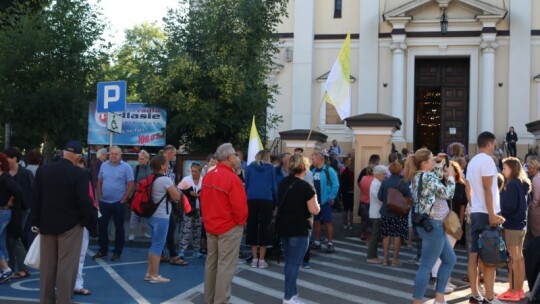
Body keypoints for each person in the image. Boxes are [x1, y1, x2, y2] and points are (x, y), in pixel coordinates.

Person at [31, 140, 94, 302]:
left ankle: (46, 300)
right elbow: (85, 201)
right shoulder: (80, 173)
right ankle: (64, 300)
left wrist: (36, 222)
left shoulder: (43, 170)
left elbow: (36, 198)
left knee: (47, 267)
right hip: (71, 225)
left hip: (46, 224)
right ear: (78, 157)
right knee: (66, 266)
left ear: (63, 153)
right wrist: (84, 221)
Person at [406, 148, 456, 304]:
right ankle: (418, 301)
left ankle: (439, 298)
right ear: (424, 163)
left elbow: (435, 178)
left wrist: (439, 163)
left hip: (428, 223)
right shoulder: (427, 176)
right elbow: (448, 194)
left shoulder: (418, 176)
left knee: (450, 259)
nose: (434, 161)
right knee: (426, 265)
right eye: (432, 160)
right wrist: (452, 179)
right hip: (433, 224)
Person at [200, 143, 248, 304]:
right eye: (235, 154)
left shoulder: (209, 176)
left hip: (211, 226)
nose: (237, 157)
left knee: (211, 264)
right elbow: (240, 208)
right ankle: (220, 301)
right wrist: (240, 222)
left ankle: (210, 299)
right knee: (225, 267)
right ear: (229, 157)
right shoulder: (232, 178)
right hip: (229, 227)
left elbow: (203, 201)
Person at [465, 131, 506, 304]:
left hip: (476, 211)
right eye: (494, 144)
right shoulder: (488, 160)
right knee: (490, 256)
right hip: (486, 213)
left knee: (474, 255)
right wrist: (491, 213)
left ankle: (475, 293)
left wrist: (472, 204)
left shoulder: (473, 161)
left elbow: (468, 187)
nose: (495, 147)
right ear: (489, 143)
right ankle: (489, 297)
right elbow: (488, 188)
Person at [276, 154, 320, 304]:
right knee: (294, 264)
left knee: (289, 262)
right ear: (305, 168)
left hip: (283, 227)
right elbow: (314, 210)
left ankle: (292, 293)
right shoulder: (306, 186)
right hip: (299, 228)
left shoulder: (283, 182)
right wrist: (318, 203)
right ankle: (288, 297)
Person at [145, 154, 183, 283]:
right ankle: (155, 275)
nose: (168, 164)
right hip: (162, 216)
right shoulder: (165, 180)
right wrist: (177, 192)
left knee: (154, 245)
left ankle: (149, 273)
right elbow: (176, 197)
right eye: (166, 163)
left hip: (151, 215)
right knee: (158, 247)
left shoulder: (152, 178)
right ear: (162, 166)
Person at [496, 157, 530, 302]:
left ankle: (513, 291)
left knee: (513, 259)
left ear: (512, 169)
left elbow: (508, 206)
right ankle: (519, 290)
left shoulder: (512, 184)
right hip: (521, 225)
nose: (503, 171)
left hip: (511, 225)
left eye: (504, 168)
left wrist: (500, 211)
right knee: (519, 258)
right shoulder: (522, 184)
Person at [93, 146, 134, 261]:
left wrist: (124, 199)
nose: (114, 156)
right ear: (108, 155)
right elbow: (99, 181)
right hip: (104, 202)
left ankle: (117, 252)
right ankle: (103, 250)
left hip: (118, 203)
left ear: (120, 155)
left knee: (119, 228)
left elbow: (131, 184)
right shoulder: (104, 165)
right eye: (112, 154)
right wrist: (100, 197)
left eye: (116, 154)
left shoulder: (126, 167)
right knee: (102, 227)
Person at [431, 160, 466, 293]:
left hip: (454, 222)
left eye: (447, 170)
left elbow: (463, 204)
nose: (445, 173)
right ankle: (438, 282)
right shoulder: (441, 184)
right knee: (442, 254)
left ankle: (446, 281)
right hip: (443, 221)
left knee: (448, 254)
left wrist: (461, 222)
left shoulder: (461, 185)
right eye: (444, 170)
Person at [4, 147, 34, 280]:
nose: (5, 160)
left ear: (15, 159)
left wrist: (13, 199)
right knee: (9, 238)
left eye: (7, 158)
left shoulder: (25, 174)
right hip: (7, 209)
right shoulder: (5, 172)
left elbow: (27, 193)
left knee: (15, 237)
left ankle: (22, 268)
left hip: (21, 209)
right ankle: (9, 267)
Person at [245, 150, 277, 268]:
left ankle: (254, 259)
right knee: (265, 227)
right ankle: (262, 260)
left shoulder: (249, 168)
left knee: (252, 227)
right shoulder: (271, 169)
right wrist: (275, 202)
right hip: (267, 199)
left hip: (251, 199)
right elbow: (274, 186)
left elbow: (246, 185)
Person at [378, 161, 411, 267]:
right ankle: (395, 260)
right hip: (399, 212)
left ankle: (385, 259)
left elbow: (380, 197)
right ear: (400, 170)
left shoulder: (385, 182)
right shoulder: (403, 182)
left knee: (386, 235)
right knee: (397, 235)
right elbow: (410, 198)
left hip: (386, 211)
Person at [74, 157, 98, 295]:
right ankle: (69, 284)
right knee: (72, 256)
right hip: (76, 222)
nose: (79, 167)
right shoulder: (75, 179)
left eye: (81, 165)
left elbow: (90, 199)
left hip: (83, 223)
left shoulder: (85, 179)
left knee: (81, 255)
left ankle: (77, 284)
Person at [0, 153, 23, 283]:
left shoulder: (5, 178)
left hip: (2, 212)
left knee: (2, 242)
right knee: (2, 242)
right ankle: (5, 270)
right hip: (4, 212)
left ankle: (6, 269)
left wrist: (11, 199)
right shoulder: (5, 177)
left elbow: (19, 191)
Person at [310, 152, 339, 253]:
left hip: (325, 202)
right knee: (316, 222)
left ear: (320, 159)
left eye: (313, 159)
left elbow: (336, 185)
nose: (312, 161)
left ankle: (330, 243)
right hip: (315, 202)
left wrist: (330, 197)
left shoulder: (329, 170)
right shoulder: (312, 171)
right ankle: (317, 242)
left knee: (328, 222)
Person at [177, 163, 204, 259]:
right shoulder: (186, 180)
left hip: (199, 208)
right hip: (188, 208)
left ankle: (196, 250)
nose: (193, 173)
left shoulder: (204, 180)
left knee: (197, 230)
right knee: (185, 229)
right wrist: (188, 192)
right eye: (192, 171)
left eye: (195, 171)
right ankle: (182, 250)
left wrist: (202, 194)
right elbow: (178, 190)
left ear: (200, 171)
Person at [128, 150, 152, 241]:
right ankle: (132, 233)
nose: (140, 160)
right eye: (139, 159)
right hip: (137, 194)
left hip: (147, 194)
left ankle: (144, 232)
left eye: (142, 159)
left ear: (147, 159)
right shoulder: (136, 168)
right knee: (134, 214)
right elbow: (131, 181)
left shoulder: (150, 168)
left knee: (145, 214)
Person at [366, 165, 387, 264]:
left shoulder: (377, 183)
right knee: (375, 235)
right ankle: (371, 256)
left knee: (376, 234)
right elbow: (379, 198)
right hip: (377, 212)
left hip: (376, 212)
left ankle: (373, 255)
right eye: (383, 174)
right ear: (378, 174)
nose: (385, 175)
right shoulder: (377, 184)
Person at [358, 166, 374, 240]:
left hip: (363, 201)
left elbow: (360, 186)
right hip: (371, 202)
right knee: (370, 222)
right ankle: (368, 238)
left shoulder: (363, 178)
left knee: (364, 220)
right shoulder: (375, 180)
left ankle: (362, 234)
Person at [340, 157, 355, 230]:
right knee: (352, 209)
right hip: (354, 192)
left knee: (345, 208)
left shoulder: (347, 170)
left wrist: (342, 192)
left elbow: (342, 180)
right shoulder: (357, 170)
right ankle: (351, 224)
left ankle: (345, 224)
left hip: (346, 192)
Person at [529, 159, 540, 239]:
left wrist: (531, 206)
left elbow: (536, 197)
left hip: (536, 209)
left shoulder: (535, 179)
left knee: (537, 233)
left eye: (530, 168)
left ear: (535, 168)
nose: (529, 170)